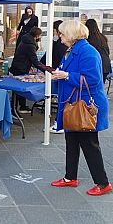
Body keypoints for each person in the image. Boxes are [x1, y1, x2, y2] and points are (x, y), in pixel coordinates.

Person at [51, 20, 111, 196]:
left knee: (89, 144)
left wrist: (67, 75)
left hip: (84, 106)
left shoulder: (88, 52)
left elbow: (93, 80)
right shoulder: (72, 50)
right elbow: (66, 70)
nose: (59, 37)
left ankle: (103, 183)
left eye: (61, 34)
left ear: (70, 35)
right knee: (71, 142)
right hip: (73, 104)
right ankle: (70, 177)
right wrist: (59, 74)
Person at [40, 20, 68, 134]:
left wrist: (65, 74)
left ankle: (59, 124)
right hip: (58, 74)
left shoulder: (65, 46)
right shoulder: (60, 44)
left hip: (60, 76)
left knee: (63, 99)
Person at [9, 27, 43, 113]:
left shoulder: (25, 39)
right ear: (37, 35)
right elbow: (34, 60)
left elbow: (27, 56)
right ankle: (14, 109)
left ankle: (21, 106)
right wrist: (45, 69)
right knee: (18, 89)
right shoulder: (30, 45)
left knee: (19, 88)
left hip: (18, 66)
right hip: (20, 68)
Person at [84, 18, 111, 83]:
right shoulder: (102, 37)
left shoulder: (88, 38)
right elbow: (108, 51)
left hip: (97, 64)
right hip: (106, 65)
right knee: (101, 86)